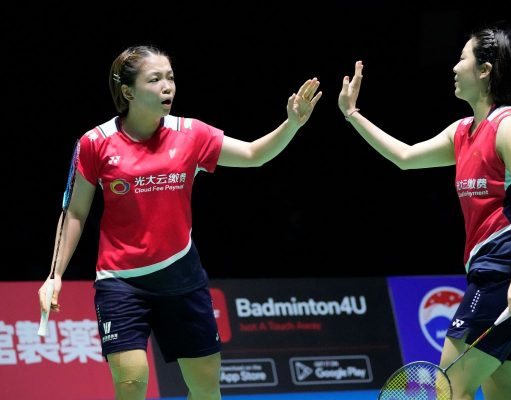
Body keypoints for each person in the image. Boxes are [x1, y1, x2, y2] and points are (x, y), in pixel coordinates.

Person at [38, 44, 322, 400]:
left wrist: (292, 124)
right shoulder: (95, 143)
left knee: (206, 390)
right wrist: (55, 275)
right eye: (154, 79)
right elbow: (75, 212)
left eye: (170, 78)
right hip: (121, 282)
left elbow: (254, 154)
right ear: (128, 92)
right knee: (131, 384)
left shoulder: (191, 134)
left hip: (181, 279)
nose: (167, 86)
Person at [338, 26, 511, 400]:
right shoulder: (462, 132)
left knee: (449, 391)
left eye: (462, 58)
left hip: (506, 276)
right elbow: (405, 157)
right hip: (504, 279)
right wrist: (352, 114)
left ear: (484, 70)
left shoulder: (510, 127)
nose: (454, 67)